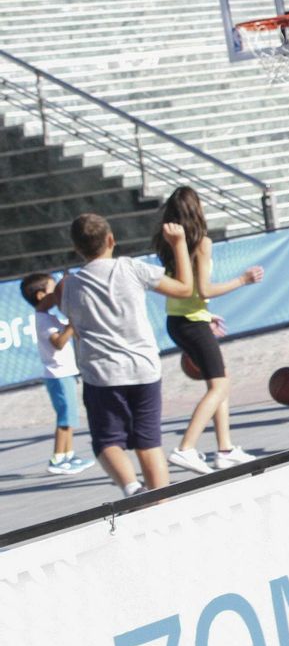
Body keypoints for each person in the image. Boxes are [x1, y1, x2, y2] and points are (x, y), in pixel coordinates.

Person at [48, 213, 192, 497]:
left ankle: (132, 489)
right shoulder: (131, 268)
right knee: (149, 442)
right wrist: (179, 244)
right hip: (144, 368)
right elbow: (185, 289)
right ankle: (161, 504)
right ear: (112, 239)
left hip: (102, 375)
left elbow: (59, 307)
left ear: (77, 248)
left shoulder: (69, 286)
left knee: (106, 442)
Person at [158, 187, 265, 476]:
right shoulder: (202, 243)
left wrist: (205, 313)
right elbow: (203, 288)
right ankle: (186, 448)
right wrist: (242, 280)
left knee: (221, 381)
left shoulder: (170, 243)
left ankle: (225, 450)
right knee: (220, 386)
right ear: (197, 211)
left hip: (180, 319)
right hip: (191, 322)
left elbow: (189, 288)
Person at [20, 273, 92, 476]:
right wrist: (71, 323)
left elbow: (73, 334)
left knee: (71, 417)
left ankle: (68, 455)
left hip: (66, 373)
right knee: (65, 419)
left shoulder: (49, 317)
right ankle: (57, 459)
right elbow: (59, 343)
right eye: (54, 290)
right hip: (57, 376)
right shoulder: (43, 320)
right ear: (42, 295)